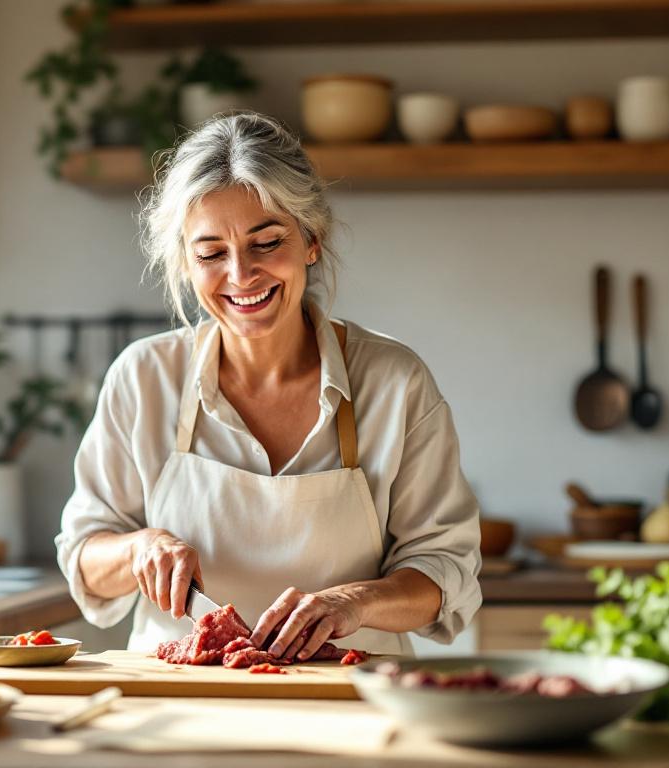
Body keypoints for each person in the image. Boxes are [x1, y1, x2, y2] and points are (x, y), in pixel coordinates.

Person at [55, 112, 480, 661]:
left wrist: (356, 603)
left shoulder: (394, 382)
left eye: (266, 242)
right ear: (186, 263)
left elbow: (444, 569)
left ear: (311, 241)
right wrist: (141, 548)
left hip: (350, 702)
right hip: (181, 707)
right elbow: (85, 556)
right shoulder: (144, 378)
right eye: (211, 253)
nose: (240, 275)